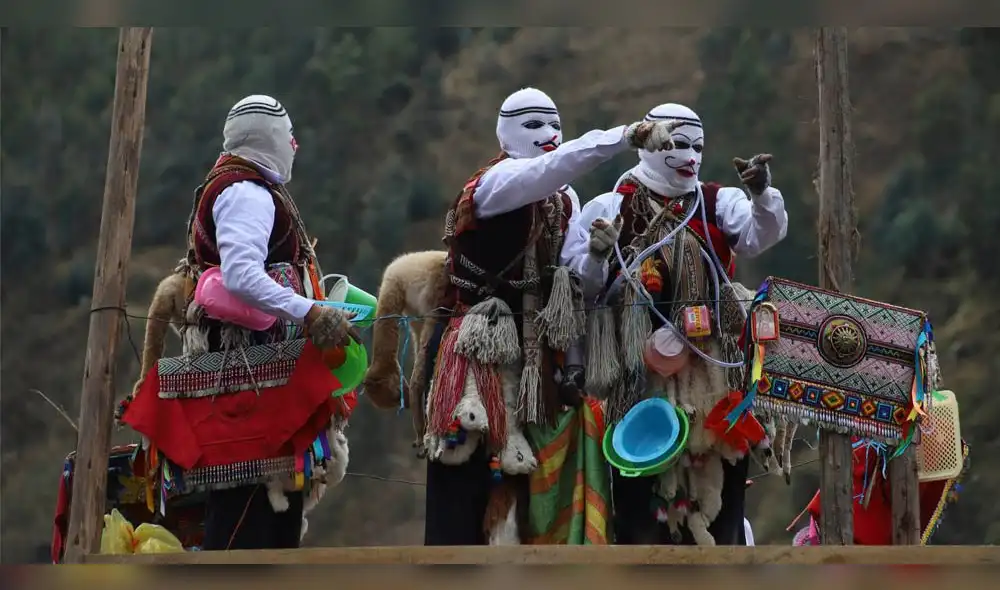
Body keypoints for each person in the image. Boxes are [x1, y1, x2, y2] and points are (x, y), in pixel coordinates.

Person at [419, 87, 681, 546]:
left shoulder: (565, 200)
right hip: (478, 347)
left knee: (528, 492)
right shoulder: (495, 184)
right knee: (464, 472)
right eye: (534, 125)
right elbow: (546, 170)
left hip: (538, 359)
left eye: (555, 124)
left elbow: (580, 279)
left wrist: (598, 256)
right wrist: (625, 136)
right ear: (506, 133)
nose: (549, 135)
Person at [120, 95, 357, 550]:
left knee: (266, 519)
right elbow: (242, 275)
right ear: (268, 137)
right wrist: (310, 311)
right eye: (288, 134)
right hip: (250, 375)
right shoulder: (245, 192)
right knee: (247, 525)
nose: (294, 143)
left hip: (256, 370)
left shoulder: (240, 186)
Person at [577, 102, 789, 546]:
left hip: (714, 370)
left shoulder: (716, 201)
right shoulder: (613, 203)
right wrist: (597, 254)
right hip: (639, 376)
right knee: (643, 499)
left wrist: (762, 196)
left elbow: (758, 235)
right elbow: (584, 286)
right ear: (650, 146)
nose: (690, 157)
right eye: (676, 145)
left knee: (721, 484)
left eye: (698, 146)